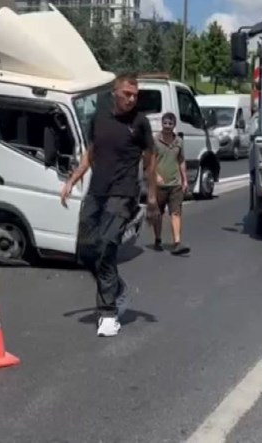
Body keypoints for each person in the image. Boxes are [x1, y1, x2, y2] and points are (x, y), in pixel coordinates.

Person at [60, 72, 158, 338]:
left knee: (105, 245)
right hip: (96, 192)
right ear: (115, 92)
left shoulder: (140, 124)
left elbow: (150, 161)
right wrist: (72, 180)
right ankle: (118, 288)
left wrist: (151, 198)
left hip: (123, 194)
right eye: (127, 93)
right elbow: (90, 154)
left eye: (135, 95)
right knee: (85, 250)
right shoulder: (99, 119)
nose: (131, 99)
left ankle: (108, 313)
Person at [150, 112, 190, 255]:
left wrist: (184, 179)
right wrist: (156, 176)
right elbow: (150, 161)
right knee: (158, 214)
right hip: (160, 185)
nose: (167, 126)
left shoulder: (179, 141)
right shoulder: (155, 141)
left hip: (175, 184)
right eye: (165, 123)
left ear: (174, 125)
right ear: (162, 124)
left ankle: (177, 243)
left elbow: (181, 161)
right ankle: (158, 239)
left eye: (170, 124)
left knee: (176, 212)